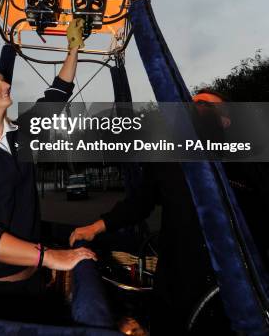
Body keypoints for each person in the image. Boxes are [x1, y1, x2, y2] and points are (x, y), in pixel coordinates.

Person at [69, 89, 268, 335]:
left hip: (238, 289)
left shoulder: (248, 164)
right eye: (191, 103)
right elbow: (140, 203)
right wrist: (95, 227)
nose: (195, 107)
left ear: (226, 120)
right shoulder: (168, 160)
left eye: (205, 105)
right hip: (179, 281)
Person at [0, 19, 96, 319]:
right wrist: (50, 257)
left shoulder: (21, 135)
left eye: (3, 80)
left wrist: (74, 48)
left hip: (31, 285)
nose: (6, 84)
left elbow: (57, 95)